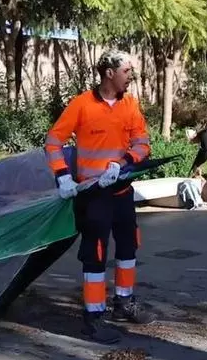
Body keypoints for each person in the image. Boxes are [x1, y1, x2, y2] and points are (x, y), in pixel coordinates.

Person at [44, 49, 156, 344]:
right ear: (110, 73)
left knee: (129, 246)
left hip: (121, 190)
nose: (131, 77)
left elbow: (144, 144)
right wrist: (62, 175)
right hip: (93, 195)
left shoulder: (130, 104)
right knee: (95, 255)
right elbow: (53, 142)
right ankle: (93, 317)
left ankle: (124, 302)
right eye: (127, 72)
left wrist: (122, 162)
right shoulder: (81, 105)